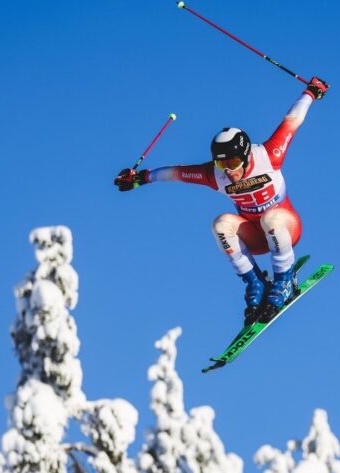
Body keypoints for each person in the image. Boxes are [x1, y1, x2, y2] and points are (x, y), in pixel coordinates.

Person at [115, 77, 328, 325]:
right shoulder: (215, 176)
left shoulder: (268, 156)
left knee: (272, 218)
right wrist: (141, 178)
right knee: (221, 224)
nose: (228, 171)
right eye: (221, 163)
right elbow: (177, 173)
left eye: (232, 163)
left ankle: (284, 281)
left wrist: (311, 92)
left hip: (286, 228)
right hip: (256, 237)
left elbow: (292, 121)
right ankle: (255, 283)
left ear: (246, 156)